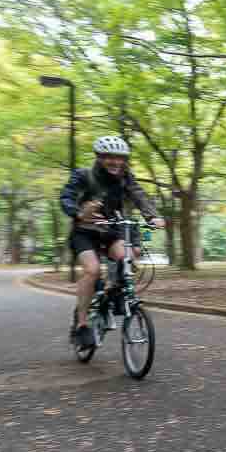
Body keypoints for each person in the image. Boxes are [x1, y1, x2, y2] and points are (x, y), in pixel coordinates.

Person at [60, 136, 165, 347]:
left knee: (128, 257)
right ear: (99, 157)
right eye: (109, 157)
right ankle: (81, 325)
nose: (115, 162)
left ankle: (110, 292)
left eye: (120, 158)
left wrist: (152, 216)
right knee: (92, 270)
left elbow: (139, 195)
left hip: (110, 231)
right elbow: (66, 198)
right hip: (85, 232)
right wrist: (79, 213)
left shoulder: (125, 177)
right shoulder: (83, 175)